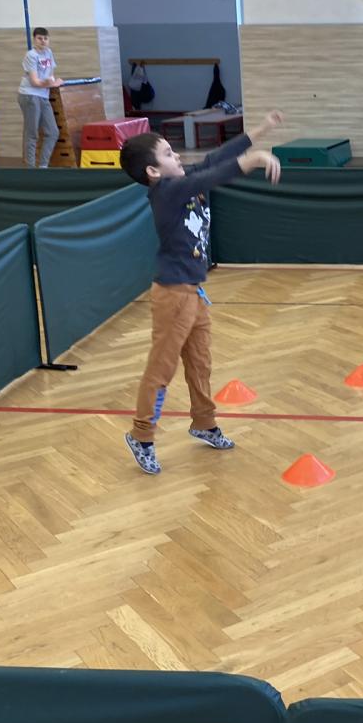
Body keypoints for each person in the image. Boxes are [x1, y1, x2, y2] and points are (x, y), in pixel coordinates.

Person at [118, 114, 284, 474]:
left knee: (200, 362)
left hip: (193, 293)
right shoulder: (167, 191)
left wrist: (261, 130)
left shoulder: (181, 179)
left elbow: (216, 159)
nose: (177, 155)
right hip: (173, 295)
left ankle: (204, 423)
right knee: (161, 369)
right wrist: (255, 160)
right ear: (153, 172)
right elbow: (214, 175)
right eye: (168, 154)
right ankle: (141, 435)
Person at [19, 27, 64, 167]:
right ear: (34, 40)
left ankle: (43, 166)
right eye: (39, 38)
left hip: (43, 95)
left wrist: (52, 81)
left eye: (45, 38)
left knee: (53, 132)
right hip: (29, 95)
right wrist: (51, 83)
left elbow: (50, 75)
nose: (43, 41)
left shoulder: (49, 53)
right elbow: (35, 82)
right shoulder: (31, 55)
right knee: (32, 133)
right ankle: (31, 168)